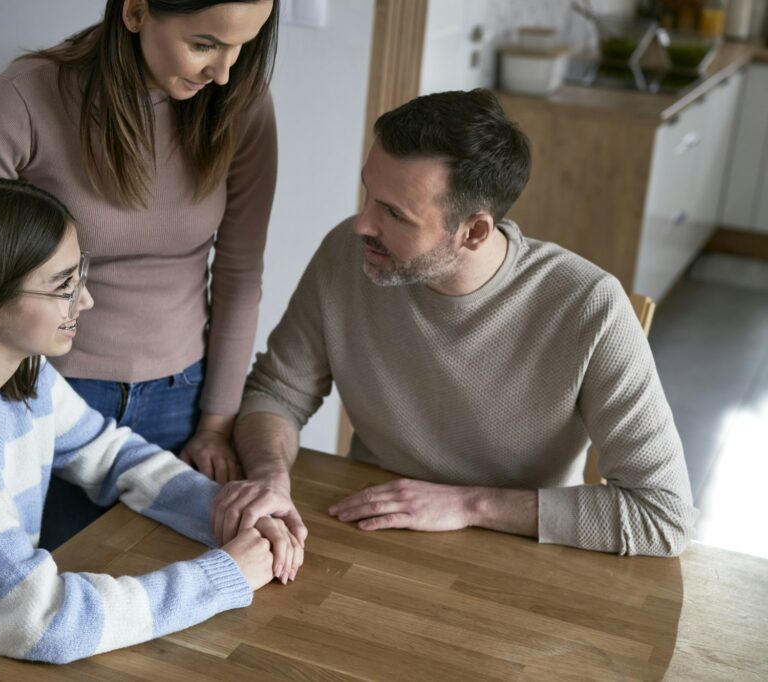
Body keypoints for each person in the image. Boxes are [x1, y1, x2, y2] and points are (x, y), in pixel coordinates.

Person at [0, 177, 302, 682]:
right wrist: (223, 575)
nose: (87, 301)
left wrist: (228, 511)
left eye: (81, 276)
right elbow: (40, 621)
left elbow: (113, 454)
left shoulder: (24, 381)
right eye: (64, 287)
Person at [211, 89, 698, 558]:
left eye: (394, 214)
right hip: (367, 528)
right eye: (368, 194)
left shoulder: (589, 307)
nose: (362, 224)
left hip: (520, 558)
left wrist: (469, 504)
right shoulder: (348, 253)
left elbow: (664, 513)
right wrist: (269, 475)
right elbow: (277, 392)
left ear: (474, 231)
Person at [0, 0, 278, 549]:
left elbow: (239, 275)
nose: (225, 72)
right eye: (205, 44)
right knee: (46, 594)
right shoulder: (30, 96)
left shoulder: (239, 104)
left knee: (163, 599)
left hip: (184, 400)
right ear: (135, 11)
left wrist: (216, 424)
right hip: (42, 394)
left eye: (243, 46)